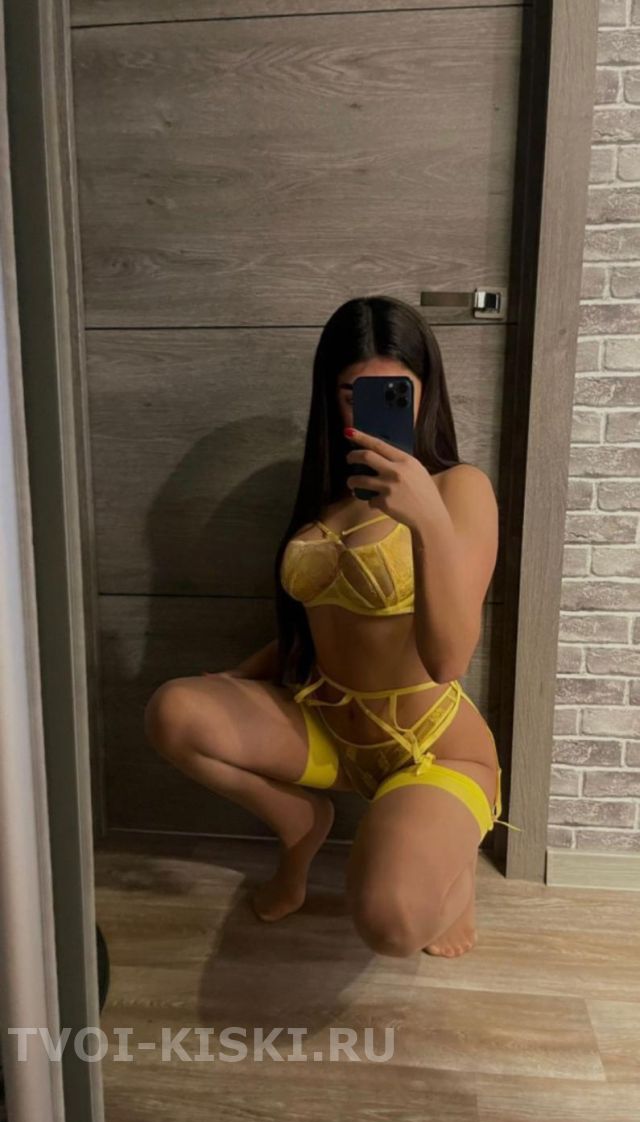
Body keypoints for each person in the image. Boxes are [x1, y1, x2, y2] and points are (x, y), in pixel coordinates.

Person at [144, 294, 521, 960]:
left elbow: (449, 658)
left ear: (426, 392)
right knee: (173, 712)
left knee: (393, 920)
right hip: (326, 725)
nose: (371, 411)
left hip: (431, 747)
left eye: (395, 394)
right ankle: (299, 820)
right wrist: (241, 676)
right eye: (354, 395)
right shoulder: (326, 495)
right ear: (330, 396)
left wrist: (426, 519)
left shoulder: (459, 488)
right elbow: (322, 623)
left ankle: (455, 868)